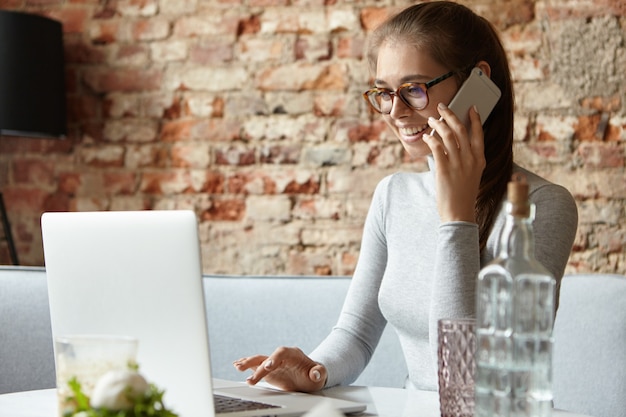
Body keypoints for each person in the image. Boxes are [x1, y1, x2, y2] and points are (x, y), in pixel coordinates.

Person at [233, 1, 578, 393]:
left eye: (414, 89)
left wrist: (456, 218)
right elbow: (357, 332)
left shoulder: (542, 207)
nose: (394, 111)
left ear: (477, 83)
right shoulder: (393, 196)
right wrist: (315, 370)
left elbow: (465, 380)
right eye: (384, 92)